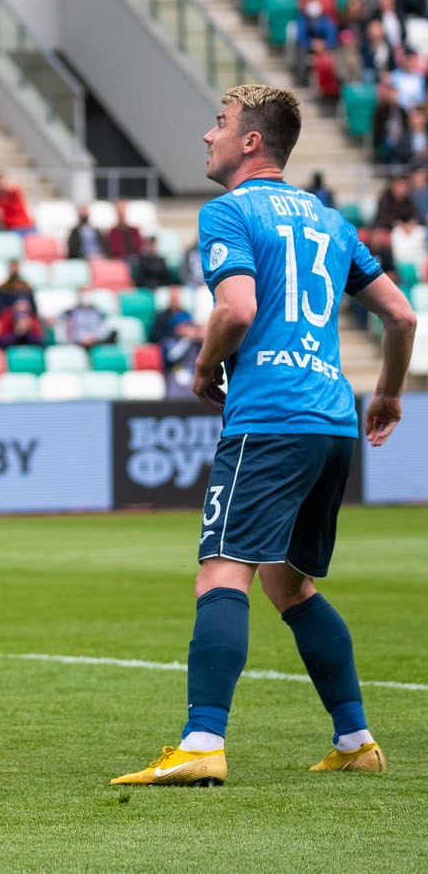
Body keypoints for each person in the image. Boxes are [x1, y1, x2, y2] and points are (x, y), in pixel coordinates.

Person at [114, 85, 413, 786]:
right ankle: (355, 737)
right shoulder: (330, 222)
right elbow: (400, 316)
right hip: (332, 418)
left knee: (221, 570)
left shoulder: (229, 211)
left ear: (252, 140)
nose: (206, 136)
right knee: (290, 583)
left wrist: (203, 362)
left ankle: (201, 741)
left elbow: (237, 307)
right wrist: (390, 391)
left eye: (218, 124)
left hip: (270, 415)